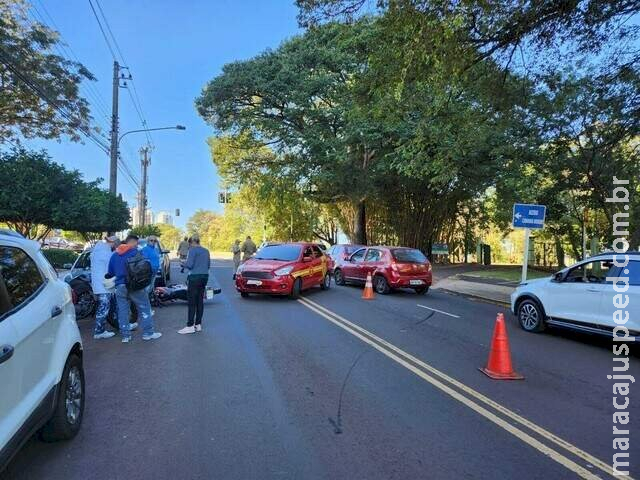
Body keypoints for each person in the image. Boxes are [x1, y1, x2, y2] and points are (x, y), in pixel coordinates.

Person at [108, 234, 162, 343]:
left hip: (120, 287)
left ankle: (125, 336)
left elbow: (110, 272)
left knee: (122, 311)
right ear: (131, 242)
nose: (137, 246)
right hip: (135, 287)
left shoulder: (114, 255)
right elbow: (144, 269)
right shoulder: (135, 253)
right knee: (144, 308)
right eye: (136, 244)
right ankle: (148, 333)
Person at [178, 234, 210, 334]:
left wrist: (182, 263)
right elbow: (208, 265)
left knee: (192, 302)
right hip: (204, 277)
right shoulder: (206, 251)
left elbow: (190, 265)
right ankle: (198, 324)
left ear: (191, 242)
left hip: (194, 277)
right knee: (200, 300)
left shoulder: (192, 250)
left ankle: (190, 326)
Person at [90, 235, 119, 339]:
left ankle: (116, 325)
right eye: (115, 244)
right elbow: (111, 263)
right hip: (103, 285)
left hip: (101, 284)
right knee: (103, 308)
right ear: (113, 243)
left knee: (107, 307)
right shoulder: (104, 252)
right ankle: (99, 331)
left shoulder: (98, 250)